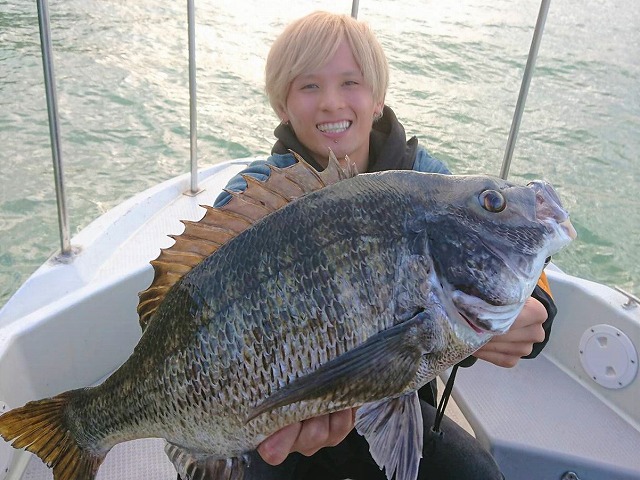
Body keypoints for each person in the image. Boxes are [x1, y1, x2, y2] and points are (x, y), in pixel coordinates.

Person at [211, 11, 557, 480]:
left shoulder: (427, 182)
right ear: (282, 105)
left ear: (377, 100)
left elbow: (503, 247)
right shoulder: (253, 196)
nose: (331, 102)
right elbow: (198, 298)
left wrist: (535, 306)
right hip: (272, 415)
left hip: (400, 399)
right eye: (308, 86)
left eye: (350, 82)